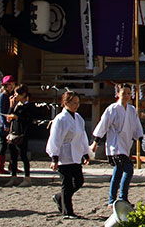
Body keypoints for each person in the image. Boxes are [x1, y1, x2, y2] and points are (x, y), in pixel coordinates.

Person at [91, 83, 141, 207]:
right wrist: (96, 142)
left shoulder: (132, 110)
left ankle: (111, 200)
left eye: (129, 94)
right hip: (115, 145)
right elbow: (103, 125)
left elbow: (136, 127)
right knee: (128, 169)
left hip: (126, 144)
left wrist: (141, 138)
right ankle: (122, 198)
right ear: (118, 94)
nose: (127, 96)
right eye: (124, 93)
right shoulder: (112, 109)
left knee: (118, 172)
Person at [47, 90, 91, 219]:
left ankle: (59, 197)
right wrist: (54, 157)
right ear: (66, 103)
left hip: (76, 154)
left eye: (78, 103)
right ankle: (67, 211)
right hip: (63, 154)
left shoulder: (78, 118)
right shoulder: (60, 119)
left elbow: (82, 136)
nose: (76, 105)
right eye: (74, 103)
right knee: (66, 184)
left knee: (78, 181)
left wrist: (85, 152)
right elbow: (55, 138)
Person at [6, 85, 34, 186]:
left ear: (23, 94)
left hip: (23, 133)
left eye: (17, 94)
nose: (15, 96)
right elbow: (9, 117)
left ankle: (27, 178)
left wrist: (17, 117)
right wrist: (11, 106)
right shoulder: (16, 105)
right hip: (14, 132)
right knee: (13, 156)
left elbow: (29, 120)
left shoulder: (29, 106)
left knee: (23, 156)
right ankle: (13, 177)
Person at [0, 74, 16, 174]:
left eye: (13, 84)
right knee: (3, 145)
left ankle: (13, 165)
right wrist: (5, 124)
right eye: (9, 84)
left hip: (12, 121)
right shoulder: (3, 96)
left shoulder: (13, 96)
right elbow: (1, 112)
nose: (12, 86)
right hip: (3, 123)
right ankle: (0, 167)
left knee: (13, 145)